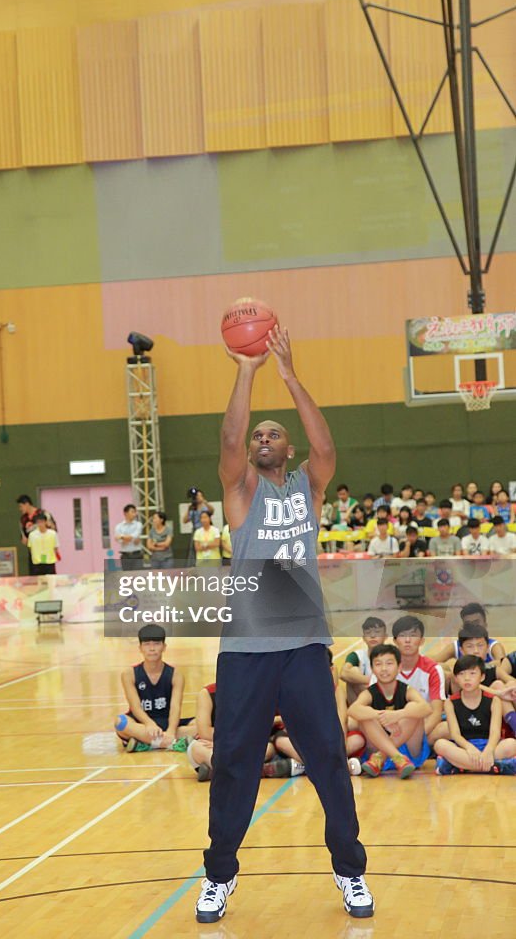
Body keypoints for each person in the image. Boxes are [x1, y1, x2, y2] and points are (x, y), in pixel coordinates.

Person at [196, 324, 372, 925]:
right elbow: (228, 437)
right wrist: (246, 370)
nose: (263, 437)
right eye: (259, 434)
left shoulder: (306, 489)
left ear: (287, 450)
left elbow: (327, 451)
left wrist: (291, 375)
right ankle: (219, 876)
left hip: (304, 646)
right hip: (245, 649)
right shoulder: (241, 490)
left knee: (326, 756)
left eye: (275, 433)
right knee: (235, 763)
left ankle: (349, 871)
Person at [348, 644, 431, 778]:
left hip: (407, 752)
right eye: (378, 664)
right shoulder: (370, 692)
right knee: (365, 714)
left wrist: (398, 715)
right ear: (372, 669)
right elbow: (352, 710)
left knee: (413, 710)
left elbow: (426, 708)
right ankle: (397, 757)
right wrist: (382, 717)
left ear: (399, 667)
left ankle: (384, 755)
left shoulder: (406, 690)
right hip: (380, 753)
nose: (384, 669)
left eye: (389, 663)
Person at [114, 625, 193, 751]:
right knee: (120, 722)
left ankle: (145, 744)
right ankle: (173, 744)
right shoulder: (129, 674)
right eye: (147, 644)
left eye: (156, 644)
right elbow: (135, 707)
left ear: (164, 647)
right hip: (143, 724)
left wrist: (171, 731)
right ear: (140, 648)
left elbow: (175, 707)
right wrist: (149, 724)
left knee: (201, 725)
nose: (152, 649)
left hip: (168, 722)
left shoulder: (176, 675)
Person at [434, 656, 516, 774]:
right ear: (456, 678)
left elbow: (495, 733)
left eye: (472, 673)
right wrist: (470, 748)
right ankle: (495, 766)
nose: (467, 678)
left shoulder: (494, 700)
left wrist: (488, 750)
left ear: (482, 677)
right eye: (462, 674)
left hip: (489, 746)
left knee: (512, 744)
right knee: (440, 744)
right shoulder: (450, 702)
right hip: (464, 747)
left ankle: (459, 766)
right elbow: (455, 734)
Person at [391, 615, 446, 747]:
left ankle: (396, 749)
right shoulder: (385, 668)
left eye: (413, 635)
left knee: (446, 728)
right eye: (403, 635)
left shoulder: (433, 669)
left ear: (421, 640)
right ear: (394, 640)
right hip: (393, 727)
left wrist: (415, 737)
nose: (408, 640)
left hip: (423, 727)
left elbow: (436, 713)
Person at [340, 617, 388, 704]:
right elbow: (343, 673)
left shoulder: (393, 656)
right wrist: (373, 681)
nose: (372, 636)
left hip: (386, 698)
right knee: (353, 671)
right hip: (361, 700)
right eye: (368, 633)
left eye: (377, 632)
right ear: (363, 637)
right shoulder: (357, 655)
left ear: (385, 636)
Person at [17, 494, 56, 573]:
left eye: (21, 506)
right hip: (33, 552)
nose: (20, 509)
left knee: (46, 571)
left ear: (27, 504)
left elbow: (54, 529)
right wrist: (24, 540)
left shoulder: (43, 514)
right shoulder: (23, 519)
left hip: (45, 549)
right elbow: (23, 535)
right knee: (35, 575)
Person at [114, 504, 144, 569]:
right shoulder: (119, 526)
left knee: (138, 577)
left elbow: (134, 536)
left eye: (135, 512)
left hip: (137, 555)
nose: (135, 514)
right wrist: (128, 538)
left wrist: (122, 536)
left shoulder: (138, 524)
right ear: (125, 513)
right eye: (132, 512)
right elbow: (119, 540)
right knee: (127, 577)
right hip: (125, 556)